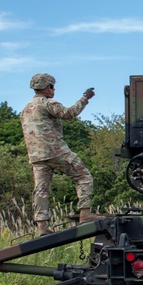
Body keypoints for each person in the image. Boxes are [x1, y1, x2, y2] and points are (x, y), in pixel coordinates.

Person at [20, 73, 102, 235]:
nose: (53, 89)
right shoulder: (47, 104)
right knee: (83, 176)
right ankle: (85, 213)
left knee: (41, 189)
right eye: (51, 86)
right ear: (44, 87)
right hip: (56, 151)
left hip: (36, 156)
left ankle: (42, 226)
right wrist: (85, 98)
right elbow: (69, 114)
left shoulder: (25, 110)